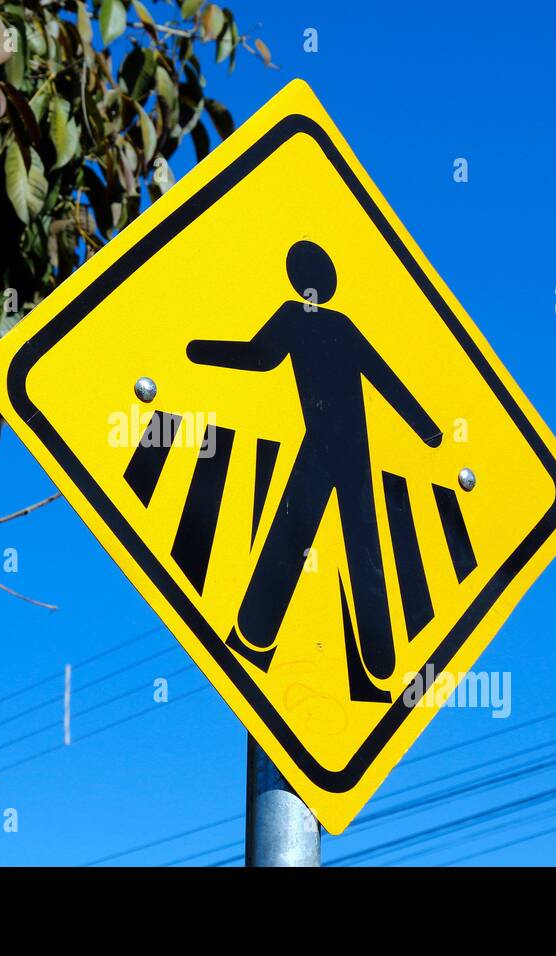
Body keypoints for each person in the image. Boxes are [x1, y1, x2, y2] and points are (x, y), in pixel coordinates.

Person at [187, 240, 441, 693]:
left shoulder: (300, 317)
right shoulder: (335, 323)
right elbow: (385, 378)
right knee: (356, 540)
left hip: (327, 440)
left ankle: (260, 628)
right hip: (347, 443)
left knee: (298, 531)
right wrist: (427, 428)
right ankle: (370, 649)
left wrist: (197, 349)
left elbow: (259, 358)